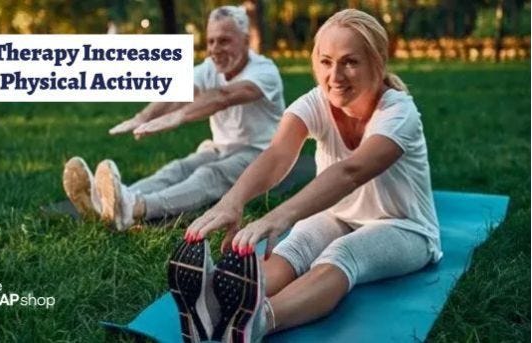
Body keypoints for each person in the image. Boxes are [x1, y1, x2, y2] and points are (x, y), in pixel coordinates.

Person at [179, 8, 443, 342]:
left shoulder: (398, 113)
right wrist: (233, 201)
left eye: (350, 61)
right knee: (296, 245)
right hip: (338, 214)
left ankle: (256, 324)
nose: (335, 75)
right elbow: (277, 155)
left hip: (404, 228)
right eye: (326, 61)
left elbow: (351, 172)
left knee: (343, 254)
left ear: (377, 62)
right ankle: (215, 308)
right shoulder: (317, 101)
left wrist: (277, 216)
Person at [62, 5, 284, 231]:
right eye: (211, 41)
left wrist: (178, 117)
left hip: (263, 154)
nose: (215, 49)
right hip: (221, 147)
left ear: (246, 41)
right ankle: (108, 201)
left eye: (224, 41)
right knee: (177, 169)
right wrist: (142, 117)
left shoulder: (265, 72)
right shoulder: (210, 67)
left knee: (209, 175)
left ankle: (134, 207)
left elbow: (223, 97)